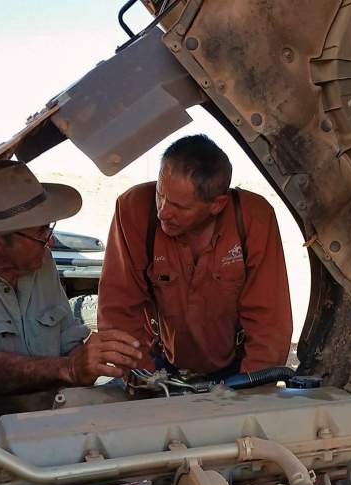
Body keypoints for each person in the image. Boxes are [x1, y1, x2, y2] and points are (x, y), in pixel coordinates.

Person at [0, 160, 142, 420]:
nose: (51, 240)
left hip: (43, 417)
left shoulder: (39, 261)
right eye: (42, 231)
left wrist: (98, 356)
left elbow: (68, 343)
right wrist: (68, 368)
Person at [98, 135, 292, 377]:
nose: (163, 212)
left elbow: (269, 322)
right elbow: (119, 310)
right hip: (159, 366)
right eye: (160, 195)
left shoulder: (254, 218)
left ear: (217, 205)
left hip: (238, 369)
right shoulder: (134, 209)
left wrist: (250, 392)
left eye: (180, 207)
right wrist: (144, 381)